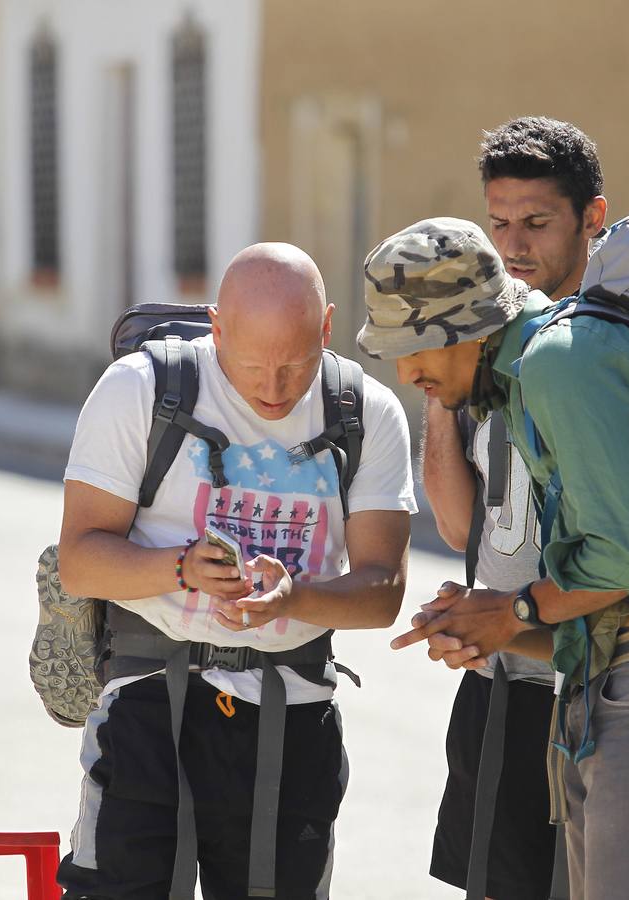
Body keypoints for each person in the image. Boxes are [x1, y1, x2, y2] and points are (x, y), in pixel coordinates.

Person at [357, 217, 629, 900]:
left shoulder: (560, 362)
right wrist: (499, 620)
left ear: (469, 328)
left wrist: (513, 609)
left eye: (415, 348)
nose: (406, 373)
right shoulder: (530, 374)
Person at [57, 243, 415, 898]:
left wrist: (291, 599)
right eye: (251, 364)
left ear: (328, 327)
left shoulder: (366, 414)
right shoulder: (141, 390)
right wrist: (182, 568)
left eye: (297, 364)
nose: (274, 390)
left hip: (292, 713)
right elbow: (80, 561)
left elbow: (382, 592)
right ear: (217, 327)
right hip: (147, 704)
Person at [422, 117, 606, 900]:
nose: (517, 244)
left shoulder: (609, 350)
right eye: (500, 224)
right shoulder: (489, 345)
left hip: (593, 692)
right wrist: (443, 376)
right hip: (496, 691)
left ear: (592, 217)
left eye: (537, 222)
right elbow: (463, 528)